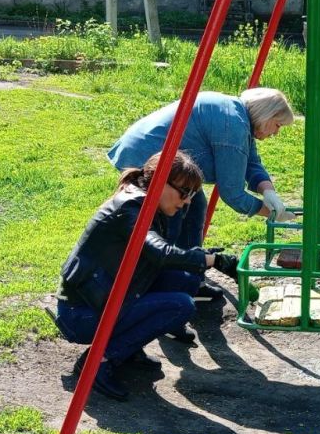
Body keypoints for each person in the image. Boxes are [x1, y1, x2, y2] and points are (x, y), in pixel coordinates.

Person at [53, 151, 241, 400]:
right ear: (161, 181)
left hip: (107, 297)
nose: (187, 202)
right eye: (184, 193)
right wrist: (211, 260)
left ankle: (127, 348)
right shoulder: (131, 207)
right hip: (82, 314)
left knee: (185, 280)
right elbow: (160, 252)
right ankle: (98, 362)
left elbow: (164, 255)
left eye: (192, 195)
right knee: (179, 306)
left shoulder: (152, 205)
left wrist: (201, 257)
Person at [108, 88, 296, 299]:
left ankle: (189, 280)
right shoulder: (232, 126)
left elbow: (251, 161)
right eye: (277, 125)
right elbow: (232, 193)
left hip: (157, 154)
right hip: (148, 157)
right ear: (265, 114)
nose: (276, 133)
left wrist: (268, 192)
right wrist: (271, 213)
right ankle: (166, 289)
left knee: (194, 209)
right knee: (174, 220)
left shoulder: (238, 115)